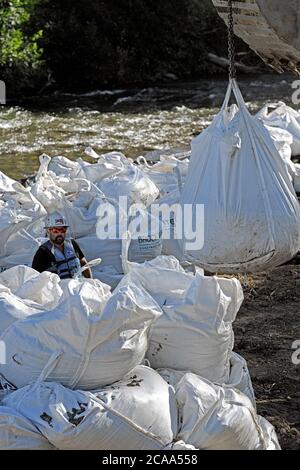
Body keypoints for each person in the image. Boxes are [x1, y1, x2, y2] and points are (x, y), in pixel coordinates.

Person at [32, 211, 92, 279]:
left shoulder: (72, 244)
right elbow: (35, 279)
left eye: (63, 230)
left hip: (78, 286)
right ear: (48, 231)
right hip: (59, 288)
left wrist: (90, 281)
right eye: (56, 231)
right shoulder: (43, 252)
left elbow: (83, 263)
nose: (59, 234)